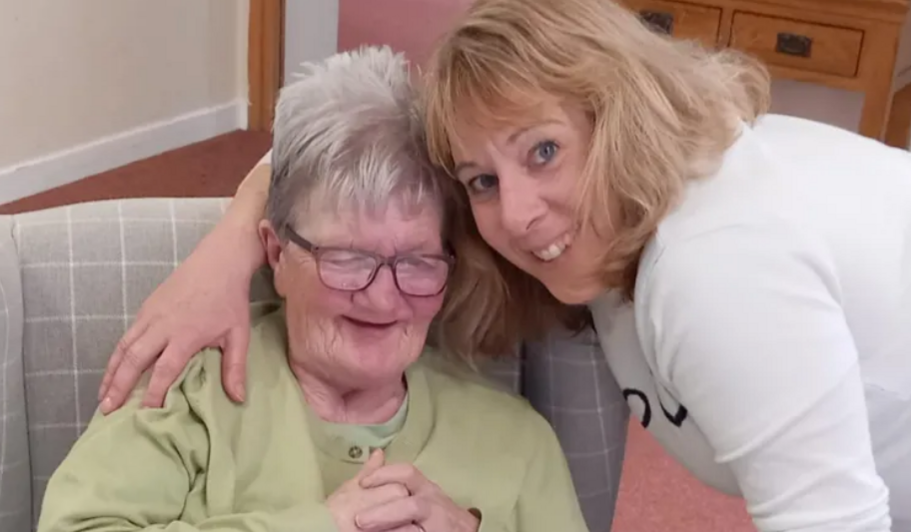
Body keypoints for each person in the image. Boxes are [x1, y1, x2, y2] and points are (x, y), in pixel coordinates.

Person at [95, 0, 911, 532]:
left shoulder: (714, 268)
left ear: (614, 113)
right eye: (483, 183)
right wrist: (231, 236)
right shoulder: (607, 222)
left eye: (545, 151)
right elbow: (362, 146)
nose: (522, 215)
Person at [38, 46, 589, 532]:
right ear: (277, 252)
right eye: (348, 260)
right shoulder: (191, 388)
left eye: (417, 263)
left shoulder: (516, 442)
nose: (381, 298)